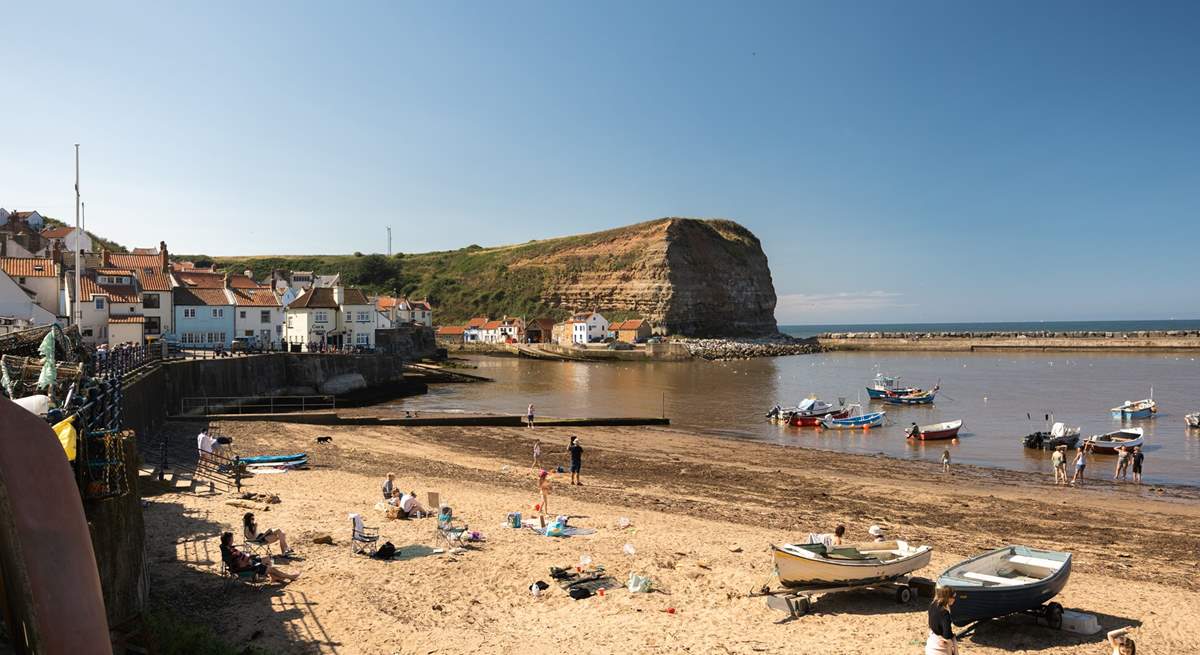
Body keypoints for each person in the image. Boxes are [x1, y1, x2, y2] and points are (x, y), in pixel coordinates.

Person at [219, 532, 299, 583]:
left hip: (246, 563)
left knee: (267, 559)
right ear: (229, 540)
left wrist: (248, 556)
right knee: (272, 569)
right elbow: (242, 562)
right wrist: (249, 557)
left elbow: (240, 558)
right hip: (248, 567)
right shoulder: (232, 552)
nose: (233, 540)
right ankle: (290, 577)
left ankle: (274, 577)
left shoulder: (226, 549)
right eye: (232, 539)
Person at [926, 586, 958, 655]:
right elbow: (947, 636)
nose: (954, 599)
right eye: (953, 597)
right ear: (948, 598)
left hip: (931, 643)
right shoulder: (945, 613)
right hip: (940, 649)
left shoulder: (932, 604)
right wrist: (953, 640)